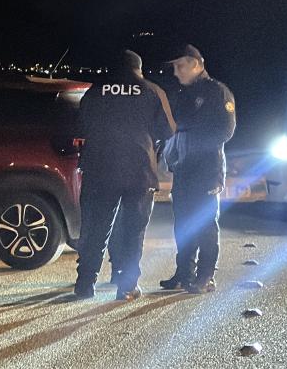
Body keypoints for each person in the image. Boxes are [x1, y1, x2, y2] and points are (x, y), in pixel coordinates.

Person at [74, 50, 176, 300]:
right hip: (139, 172)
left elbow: (81, 125)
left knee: (95, 229)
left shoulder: (95, 91)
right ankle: (127, 287)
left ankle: (85, 285)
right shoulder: (153, 91)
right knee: (133, 231)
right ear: (138, 69)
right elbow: (169, 129)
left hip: (100, 170)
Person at [159, 44, 236, 294]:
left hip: (206, 169)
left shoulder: (217, 92)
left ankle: (205, 276)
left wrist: (193, 143)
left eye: (179, 66)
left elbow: (226, 130)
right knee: (183, 225)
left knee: (205, 225)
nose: (176, 72)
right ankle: (184, 274)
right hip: (184, 169)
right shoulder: (183, 93)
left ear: (195, 63)